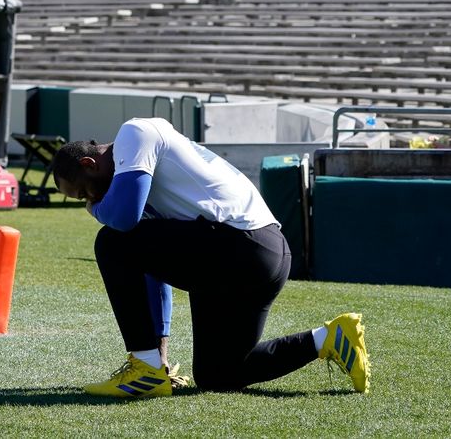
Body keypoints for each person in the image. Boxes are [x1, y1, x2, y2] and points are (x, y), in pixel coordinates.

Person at [53, 117, 370, 397]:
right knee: (218, 374)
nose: (91, 200)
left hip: (241, 246)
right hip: (251, 258)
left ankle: (143, 370)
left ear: (89, 165)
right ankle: (329, 338)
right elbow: (150, 269)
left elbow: (122, 219)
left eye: (84, 192)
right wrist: (158, 355)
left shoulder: (134, 133)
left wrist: (95, 209)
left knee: (110, 241)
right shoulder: (140, 179)